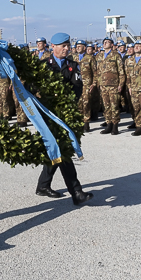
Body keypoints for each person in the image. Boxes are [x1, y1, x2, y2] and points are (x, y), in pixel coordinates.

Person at [36, 33, 95, 204]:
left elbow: (77, 88)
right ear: (53, 47)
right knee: (62, 149)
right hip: (48, 115)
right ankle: (76, 191)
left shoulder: (72, 65)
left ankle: (43, 185)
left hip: (65, 114)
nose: (67, 49)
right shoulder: (43, 66)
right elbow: (32, 87)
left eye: (68, 46)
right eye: (63, 46)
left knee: (58, 149)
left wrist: (66, 103)